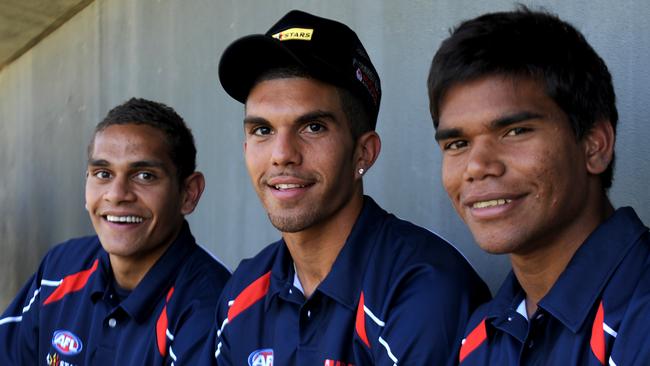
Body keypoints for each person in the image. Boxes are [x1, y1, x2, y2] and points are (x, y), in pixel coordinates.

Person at [205, 10, 490, 365]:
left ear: (364, 152)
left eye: (312, 127)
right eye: (262, 130)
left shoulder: (423, 286)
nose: (281, 155)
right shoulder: (243, 291)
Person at [428, 7, 650, 365]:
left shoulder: (639, 311)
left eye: (515, 131)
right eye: (457, 144)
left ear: (595, 145)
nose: (477, 166)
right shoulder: (483, 334)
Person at [0, 98, 231, 365]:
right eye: (103, 173)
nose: (117, 194)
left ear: (188, 194)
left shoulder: (210, 305)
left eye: (144, 175)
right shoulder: (59, 269)